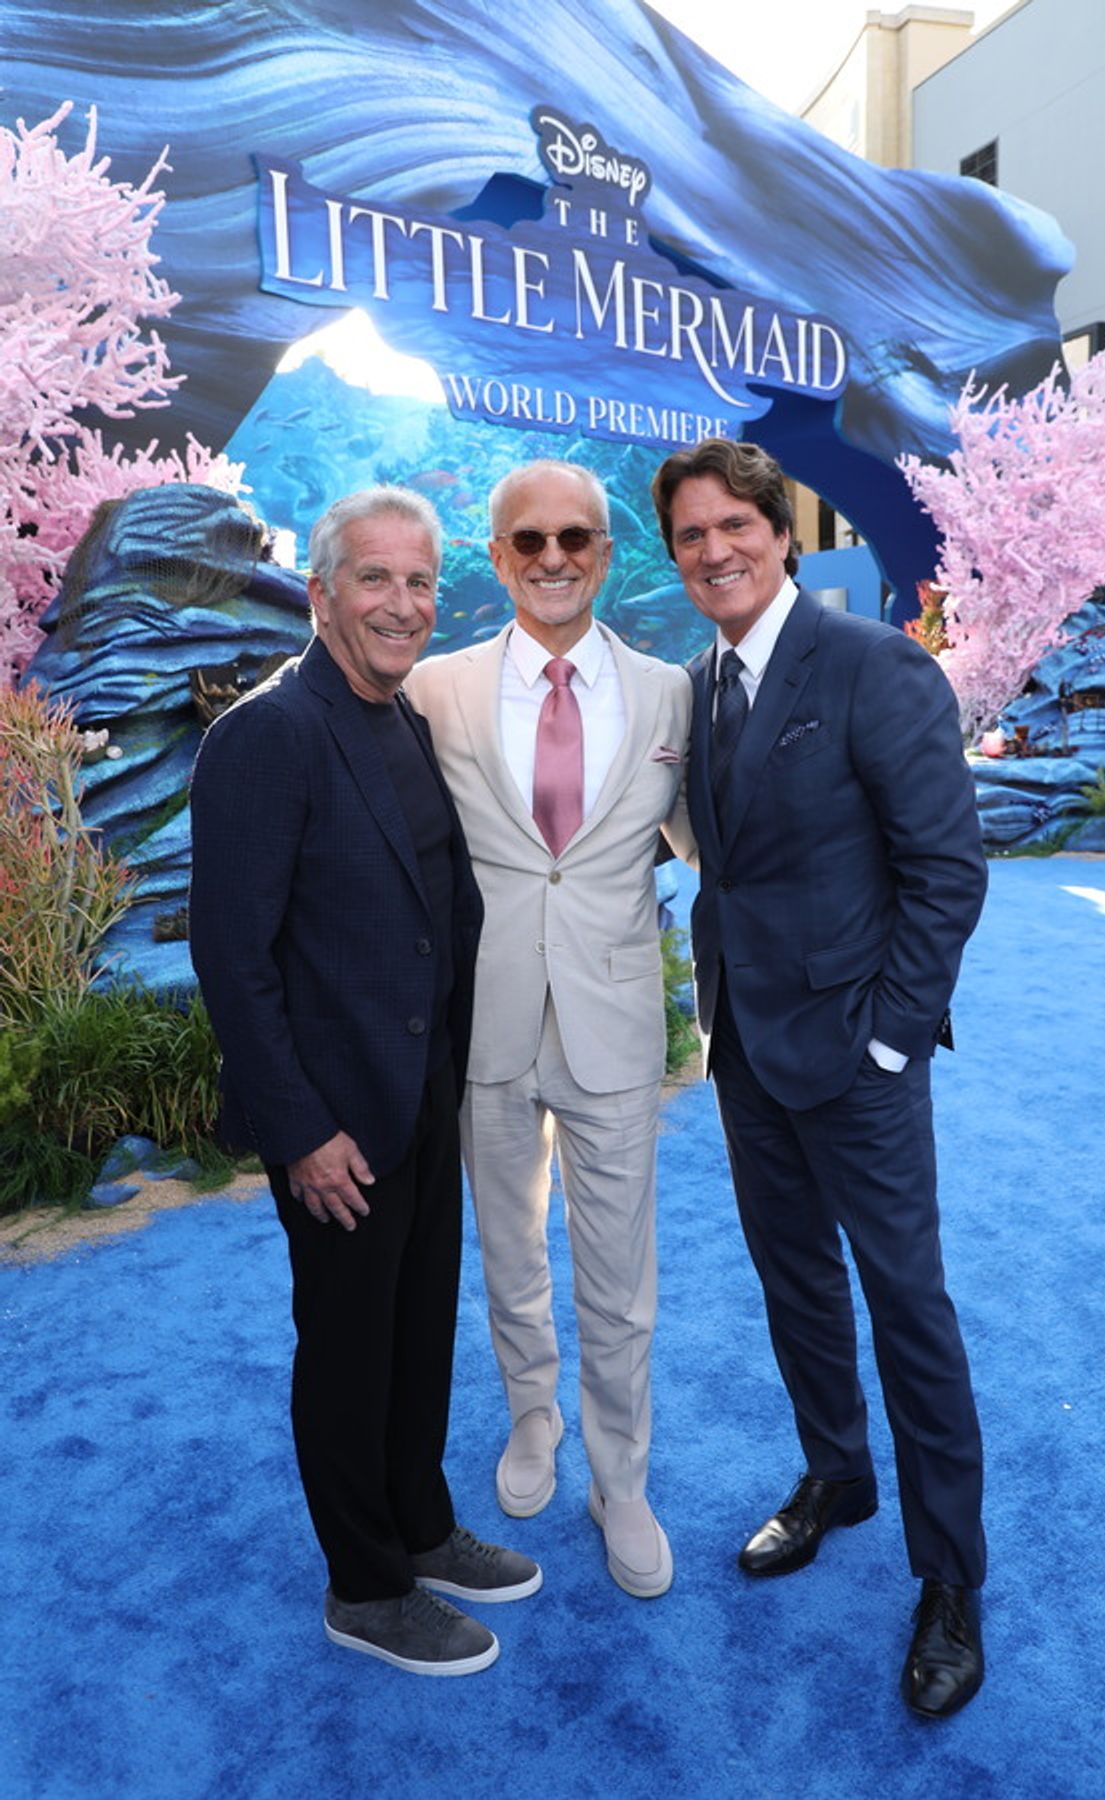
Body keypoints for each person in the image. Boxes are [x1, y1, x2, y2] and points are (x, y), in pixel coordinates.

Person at [650, 437, 989, 1719]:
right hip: (744, 1048)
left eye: (736, 523)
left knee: (908, 1307)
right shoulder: (697, 688)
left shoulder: (870, 664)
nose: (717, 550)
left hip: (858, 1056)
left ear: (779, 532)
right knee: (794, 1282)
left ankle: (951, 1577)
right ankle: (835, 1476)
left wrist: (895, 1038)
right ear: (675, 556)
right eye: (691, 535)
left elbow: (947, 871)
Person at [188, 485, 541, 1678]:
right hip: (334, 1122)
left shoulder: (399, 720)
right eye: (376, 580)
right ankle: (366, 1583)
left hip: (420, 1092)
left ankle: (421, 1523)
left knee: (414, 1335)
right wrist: (299, 1130)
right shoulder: (266, 735)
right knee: (346, 1350)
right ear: (321, 592)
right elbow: (231, 959)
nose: (402, 604)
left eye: (419, 582)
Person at [405, 458, 692, 1599]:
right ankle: (534, 1417)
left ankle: (621, 1478)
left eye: (577, 537)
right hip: (486, 1022)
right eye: (530, 541)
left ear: (607, 555)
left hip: (616, 1023)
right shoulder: (438, 691)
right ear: (498, 556)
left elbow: (726, 844)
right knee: (512, 1254)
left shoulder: (671, 691)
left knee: (620, 1277)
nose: (556, 558)